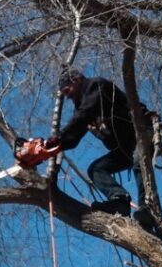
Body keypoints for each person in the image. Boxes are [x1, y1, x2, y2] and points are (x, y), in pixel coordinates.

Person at [49, 67, 152, 225]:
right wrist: (51, 148)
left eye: (67, 90)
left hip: (143, 132)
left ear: (76, 80)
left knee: (140, 160)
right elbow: (74, 136)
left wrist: (59, 136)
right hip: (126, 146)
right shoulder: (83, 107)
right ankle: (119, 201)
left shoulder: (97, 86)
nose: (68, 96)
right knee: (96, 169)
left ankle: (147, 208)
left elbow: (82, 115)